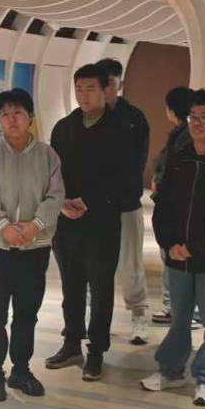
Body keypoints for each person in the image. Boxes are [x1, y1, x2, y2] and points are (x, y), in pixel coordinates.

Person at [144, 89, 205, 407]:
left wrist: (195, 246)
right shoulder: (179, 158)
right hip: (177, 256)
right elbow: (163, 206)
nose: (197, 123)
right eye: (193, 117)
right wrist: (169, 243)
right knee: (179, 318)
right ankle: (171, 370)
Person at [0, 89, 65, 402]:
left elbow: (55, 195)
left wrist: (34, 225)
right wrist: (4, 227)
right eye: (5, 115)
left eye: (18, 113)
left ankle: (21, 370)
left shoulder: (47, 156)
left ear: (30, 118)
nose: (11, 120)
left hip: (34, 249)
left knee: (27, 312)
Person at [46, 63, 135, 381]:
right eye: (79, 89)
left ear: (105, 90)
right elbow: (51, 172)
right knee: (71, 285)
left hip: (102, 221)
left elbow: (126, 177)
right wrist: (61, 202)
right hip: (67, 220)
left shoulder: (121, 129)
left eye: (91, 89)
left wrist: (91, 201)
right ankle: (72, 343)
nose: (84, 96)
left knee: (100, 287)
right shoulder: (63, 128)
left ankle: (96, 350)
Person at [97, 58, 152, 346]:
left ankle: (139, 315)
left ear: (120, 84)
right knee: (96, 266)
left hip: (126, 204)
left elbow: (137, 163)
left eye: (110, 83)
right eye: (101, 83)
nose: (105, 89)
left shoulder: (134, 118)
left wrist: (123, 192)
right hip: (94, 207)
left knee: (130, 264)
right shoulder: (88, 117)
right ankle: (97, 320)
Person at [149, 86, 193, 326]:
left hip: (175, 207)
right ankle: (175, 307)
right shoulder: (180, 132)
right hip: (170, 204)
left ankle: (179, 309)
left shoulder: (183, 135)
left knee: (174, 257)